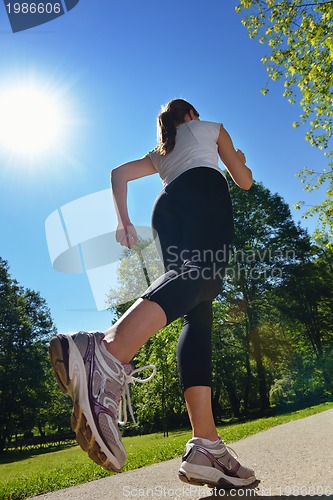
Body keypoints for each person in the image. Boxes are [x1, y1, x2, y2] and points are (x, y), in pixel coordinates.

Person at [49, 98, 255, 489]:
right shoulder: (211, 128)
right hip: (203, 190)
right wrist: (239, 159)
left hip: (166, 207)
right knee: (206, 276)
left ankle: (206, 444)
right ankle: (108, 350)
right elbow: (244, 181)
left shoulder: (163, 151)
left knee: (198, 309)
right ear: (191, 114)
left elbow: (118, 173)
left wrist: (124, 222)